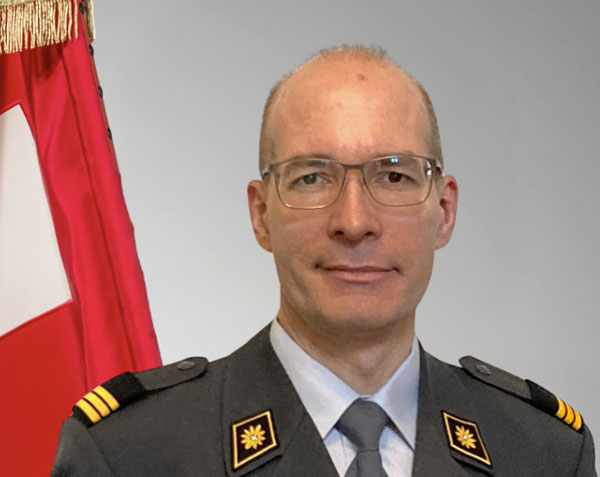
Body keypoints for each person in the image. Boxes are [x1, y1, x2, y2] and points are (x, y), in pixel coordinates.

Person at [51, 45, 596, 476]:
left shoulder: (542, 452)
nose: (354, 222)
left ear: (445, 211)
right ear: (261, 215)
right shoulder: (131, 454)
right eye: (312, 178)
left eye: (394, 175)